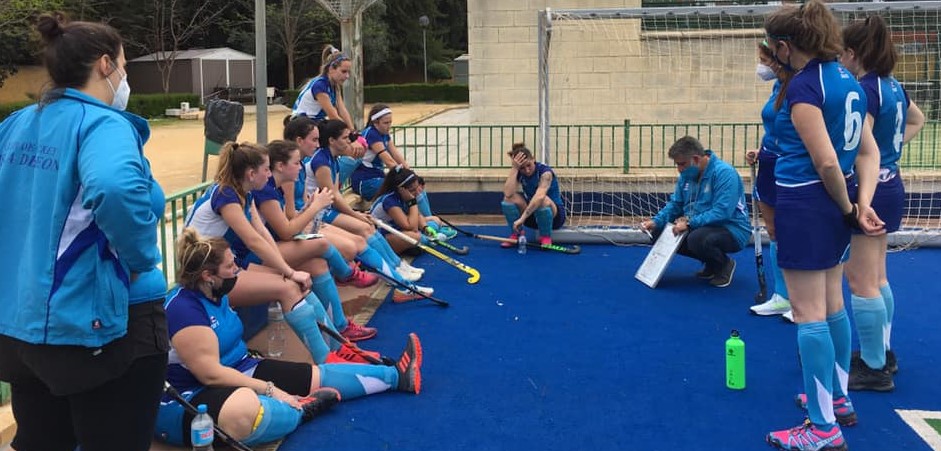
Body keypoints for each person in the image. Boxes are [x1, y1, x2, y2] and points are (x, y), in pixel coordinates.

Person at [0, 13, 168, 451]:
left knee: (40, 440)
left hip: (21, 325)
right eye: (125, 66)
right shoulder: (103, 124)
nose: (126, 77)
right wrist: (140, 258)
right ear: (105, 66)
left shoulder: (17, 124)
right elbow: (114, 187)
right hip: (101, 324)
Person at [154, 229, 422, 448]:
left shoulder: (217, 293)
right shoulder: (184, 310)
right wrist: (271, 389)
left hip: (241, 368)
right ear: (207, 276)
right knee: (245, 407)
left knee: (317, 375)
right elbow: (211, 375)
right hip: (192, 397)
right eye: (230, 266)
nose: (237, 270)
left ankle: (396, 376)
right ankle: (299, 411)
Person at [762, 1, 884, 449]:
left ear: (784, 46)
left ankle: (821, 428)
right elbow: (866, 152)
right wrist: (858, 203)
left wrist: (851, 207)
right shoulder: (848, 81)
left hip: (806, 203)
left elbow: (826, 160)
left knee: (808, 314)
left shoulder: (804, 87)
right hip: (835, 205)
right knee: (833, 305)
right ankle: (838, 399)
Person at [185, 142, 380, 362]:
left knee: (298, 283)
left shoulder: (244, 193)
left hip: (226, 267)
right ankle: (328, 360)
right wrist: (289, 271)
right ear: (251, 173)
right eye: (266, 169)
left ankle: (339, 348)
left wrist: (288, 271)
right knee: (289, 287)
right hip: (204, 277)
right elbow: (253, 241)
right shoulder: (227, 196)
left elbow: (263, 236)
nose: (269, 175)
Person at [841, 15, 925, 392]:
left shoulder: (864, 90)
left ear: (853, 53)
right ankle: (883, 352)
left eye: (842, 53)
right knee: (878, 276)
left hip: (870, 190)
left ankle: (874, 367)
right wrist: (892, 151)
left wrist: (860, 195)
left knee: (861, 281)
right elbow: (917, 120)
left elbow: (863, 148)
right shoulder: (893, 85)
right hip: (892, 184)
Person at [253, 139, 380, 342]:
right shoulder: (265, 191)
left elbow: (288, 223)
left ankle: (340, 327)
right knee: (321, 244)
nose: (300, 166)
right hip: (250, 258)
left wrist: (308, 209)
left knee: (317, 262)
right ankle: (347, 274)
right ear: (279, 166)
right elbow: (285, 232)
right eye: (296, 162)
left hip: (269, 247)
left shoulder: (274, 188)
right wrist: (314, 208)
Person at [307, 119, 434, 302]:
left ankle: (397, 268)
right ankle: (399, 281)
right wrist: (354, 214)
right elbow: (332, 196)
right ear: (332, 141)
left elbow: (334, 194)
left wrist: (355, 214)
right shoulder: (321, 161)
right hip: (320, 213)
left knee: (366, 228)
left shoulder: (331, 158)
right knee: (363, 230)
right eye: (345, 138)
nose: (350, 142)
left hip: (323, 211)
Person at [641, 136, 750, 288]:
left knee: (697, 238)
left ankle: (724, 264)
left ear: (696, 159)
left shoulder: (725, 173)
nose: (679, 169)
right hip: (700, 227)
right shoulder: (687, 176)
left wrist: (690, 223)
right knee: (658, 231)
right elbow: (676, 204)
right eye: (677, 164)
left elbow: (722, 212)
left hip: (733, 229)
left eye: (682, 164)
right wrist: (656, 221)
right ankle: (711, 263)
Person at [352, 104, 457, 241]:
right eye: (385, 123)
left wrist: (413, 177)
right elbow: (389, 161)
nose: (389, 126)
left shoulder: (384, 134)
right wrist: (407, 179)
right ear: (375, 122)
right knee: (409, 193)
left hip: (378, 177)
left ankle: (427, 226)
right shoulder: (371, 133)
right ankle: (427, 226)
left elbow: (397, 156)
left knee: (417, 190)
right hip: (365, 180)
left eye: (390, 122)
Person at [748, 41, 793, 317]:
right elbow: (776, 129)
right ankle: (781, 295)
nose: (761, 64)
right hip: (768, 162)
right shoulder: (777, 87)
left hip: (789, 168)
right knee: (774, 233)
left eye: (764, 58)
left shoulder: (798, 87)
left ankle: (802, 298)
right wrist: (761, 149)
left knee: (794, 233)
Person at [292, 45, 364, 184]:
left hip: (315, 124)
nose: (347, 76)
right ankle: (325, 186)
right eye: (344, 71)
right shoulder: (320, 85)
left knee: (356, 152)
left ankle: (332, 186)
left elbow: (343, 111)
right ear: (331, 69)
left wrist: (354, 132)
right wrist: (351, 138)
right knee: (350, 152)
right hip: (303, 125)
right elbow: (333, 115)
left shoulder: (333, 85)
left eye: (348, 72)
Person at [369, 166, 451, 255]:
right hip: (382, 238)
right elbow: (412, 227)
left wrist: (425, 227)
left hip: (398, 230)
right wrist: (412, 202)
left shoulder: (403, 196)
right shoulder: (389, 201)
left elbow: (418, 216)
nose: (418, 192)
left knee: (435, 220)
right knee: (415, 236)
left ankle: (420, 243)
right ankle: (426, 241)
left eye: (417, 187)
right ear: (401, 190)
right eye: (413, 190)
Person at [501, 143, 567, 247]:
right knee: (508, 199)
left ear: (533, 159)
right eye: (522, 168)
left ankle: (545, 237)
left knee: (542, 200)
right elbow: (508, 193)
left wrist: (522, 218)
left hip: (555, 217)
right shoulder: (518, 172)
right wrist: (514, 168)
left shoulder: (545, 172)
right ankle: (517, 233)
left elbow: (540, 197)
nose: (527, 170)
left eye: (529, 165)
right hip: (533, 215)